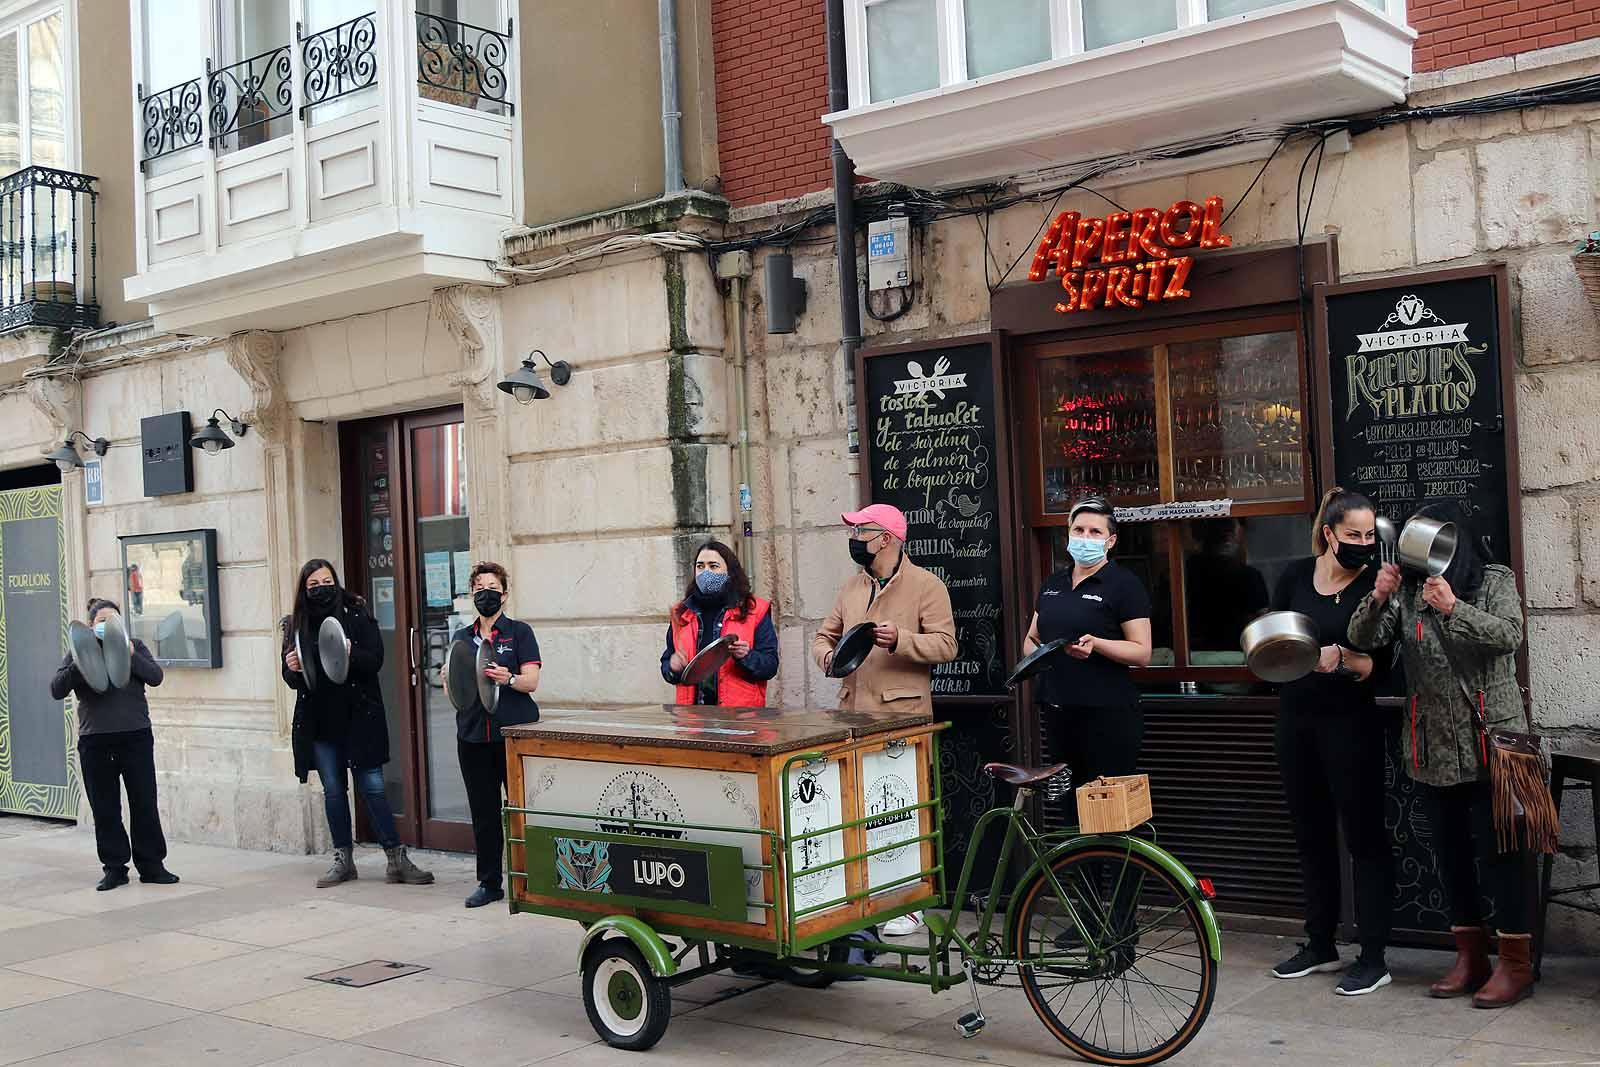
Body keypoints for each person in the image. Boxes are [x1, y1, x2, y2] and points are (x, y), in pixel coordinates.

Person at [1348, 502, 1532, 1008]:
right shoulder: (1408, 591)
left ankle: (1516, 964)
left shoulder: (1493, 580)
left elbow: (1510, 637)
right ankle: (1470, 958)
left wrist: (1455, 608)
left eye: (1439, 546)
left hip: (1492, 743)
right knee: (1450, 856)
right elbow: (1363, 640)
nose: (1431, 559)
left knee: (1504, 855)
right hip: (1431, 747)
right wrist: (1378, 595)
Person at [1267, 488, 1393, 996]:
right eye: (1353, 535)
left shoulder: (1375, 588)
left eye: (1370, 534)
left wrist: (1340, 658)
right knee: (1310, 833)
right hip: (1296, 719)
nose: (1364, 544)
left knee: (1364, 838)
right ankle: (1320, 942)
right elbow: (1274, 635)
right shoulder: (1296, 576)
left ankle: (1375, 955)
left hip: (1351, 723)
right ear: (1329, 534)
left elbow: (1381, 667)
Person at [813, 503, 957, 937]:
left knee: (902, 806)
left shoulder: (926, 585)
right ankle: (867, 893)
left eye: (862, 530)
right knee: (859, 808)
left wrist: (902, 640)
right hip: (854, 715)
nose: (855, 539)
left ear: (887, 538)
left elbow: (947, 645)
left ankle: (908, 899)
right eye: (854, 531)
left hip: (903, 716)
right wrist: (826, 660)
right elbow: (825, 637)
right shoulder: (851, 588)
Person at [283, 559, 432, 889]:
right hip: (320, 723)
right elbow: (292, 678)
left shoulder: (355, 612)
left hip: (359, 717)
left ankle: (396, 858)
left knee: (374, 788)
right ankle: (343, 859)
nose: (321, 588)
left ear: (336, 581)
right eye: (314, 584)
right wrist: (291, 667)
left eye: (327, 580)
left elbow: (375, 659)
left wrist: (351, 654)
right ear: (305, 590)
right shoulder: (297, 624)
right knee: (334, 791)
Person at [1022, 496, 1154, 815]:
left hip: (1107, 716)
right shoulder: (1053, 583)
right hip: (1058, 712)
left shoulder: (1124, 585)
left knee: (1108, 814)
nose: (1085, 537)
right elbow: (1031, 639)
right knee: (1069, 811)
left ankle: (1115, 867)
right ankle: (1079, 868)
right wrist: (1044, 655)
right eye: (1078, 529)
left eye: (1095, 532)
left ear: (1110, 541)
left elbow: (1142, 652)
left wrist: (1097, 644)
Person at [51, 598, 179, 891]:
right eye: (101, 621)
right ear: (91, 625)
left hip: (135, 736)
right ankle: (114, 868)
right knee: (105, 808)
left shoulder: (134, 645)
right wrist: (78, 664)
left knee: (144, 802)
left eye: (113, 621)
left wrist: (131, 654)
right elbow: (56, 689)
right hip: (95, 740)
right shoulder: (79, 651)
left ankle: (152, 865)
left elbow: (156, 677)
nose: (106, 626)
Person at [453, 561, 541, 909]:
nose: (484, 594)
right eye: (478, 589)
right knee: (484, 813)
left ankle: (532, 876)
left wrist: (510, 679)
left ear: (504, 594)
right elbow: (457, 696)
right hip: (473, 737)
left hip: (513, 734)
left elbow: (532, 681)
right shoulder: (462, 639)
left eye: (491, 587)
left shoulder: (519, 633)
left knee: (521, 808)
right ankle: (489, 882)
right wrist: (450, 677)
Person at [661, 540, 779, 706]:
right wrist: (673, 667)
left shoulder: (754, 610)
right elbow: (667, 667)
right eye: (700, 566)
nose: (705, 572)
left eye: (713, 566)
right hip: (693, 720)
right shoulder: (682, 613)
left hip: (739, 718)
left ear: (730, 572)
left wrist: (747, 656)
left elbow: (770, 666)